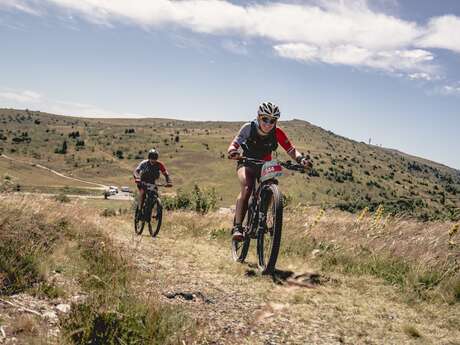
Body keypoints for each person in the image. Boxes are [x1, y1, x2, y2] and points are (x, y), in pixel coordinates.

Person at [227, 102, 312, 241]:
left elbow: (290, 149)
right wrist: (232, 151)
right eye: (265, 119)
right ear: (259, 117)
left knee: (272, 184)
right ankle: (238, 227)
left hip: (265, 164)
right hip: (246, 161)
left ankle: (262, 218)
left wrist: (301, 159)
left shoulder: (277, 132)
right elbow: (235, 143)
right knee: (247, 188)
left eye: (272, 120)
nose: (268, 123)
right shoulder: (248, 128)